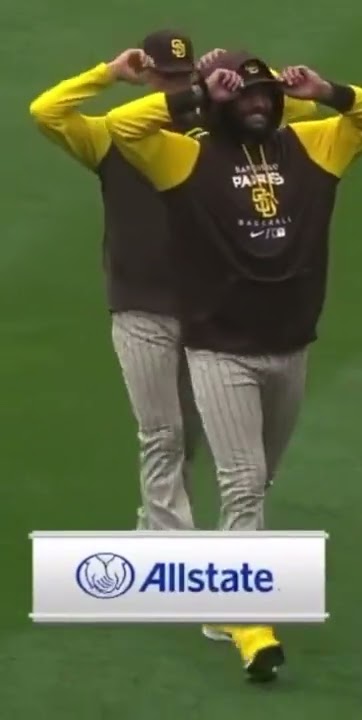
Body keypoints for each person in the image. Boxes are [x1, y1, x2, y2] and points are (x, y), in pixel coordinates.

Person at [104, 54, 362, 682]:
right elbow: (122, 128)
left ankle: (218, 596)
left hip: (290, 345)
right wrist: (196, 95)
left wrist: (326, 89)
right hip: (220, 350)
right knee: (242, 481)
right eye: (244, 96)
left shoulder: (313, 145)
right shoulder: (184, 156)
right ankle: (251, 627)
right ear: (221, 105)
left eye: (265, 93)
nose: (258, 104)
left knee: (259, 481)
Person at [28, 34, 318, 535]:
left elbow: (294, 112)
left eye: (182, 76)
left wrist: (238, 80)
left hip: (207, 309)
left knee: (191, 435)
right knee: (162, 432)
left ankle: (164, 529)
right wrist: (108, 72)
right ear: (148, 75)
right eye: (166, 76)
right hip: (141, 309)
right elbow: (46, 112)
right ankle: (167, 537)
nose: (173, 85)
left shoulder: (213, 130)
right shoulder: (111, 136)